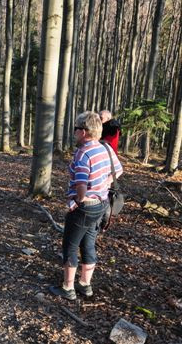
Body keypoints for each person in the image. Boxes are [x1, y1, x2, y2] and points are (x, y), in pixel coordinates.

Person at [49, 111, 123, 301]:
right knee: (89, 243)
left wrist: (76, 201)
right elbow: (119, 170)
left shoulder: (82, 154)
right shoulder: (105, 148)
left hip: (84, 207)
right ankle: (85, 284)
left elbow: (81, 187)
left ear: (84, 131)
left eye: (75, 129)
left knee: (70, 247)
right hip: (101, 204)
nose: (74, 132)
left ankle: (68, 287)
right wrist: (103, 184)